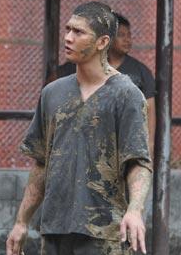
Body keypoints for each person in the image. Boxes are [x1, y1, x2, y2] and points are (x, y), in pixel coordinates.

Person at [6, 2, 152, 255]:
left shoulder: (126, 94)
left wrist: (135, 209)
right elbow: (41, 162)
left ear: (102, 42)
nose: (68, 37)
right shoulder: (52, 93)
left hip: (104, 232)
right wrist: (22, 221)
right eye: (68, 29)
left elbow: (138, 161)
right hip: (55, 230)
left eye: (79, 32)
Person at [54, 13, 156, 155]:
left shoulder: (141, 72)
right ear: (107, 39)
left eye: (129, 35)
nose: (127, 40)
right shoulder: (84, 67)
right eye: (121, 35)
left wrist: (149, 146)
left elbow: (150, 111)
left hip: (125, 147)